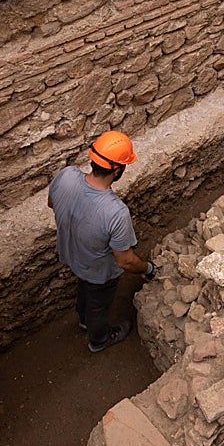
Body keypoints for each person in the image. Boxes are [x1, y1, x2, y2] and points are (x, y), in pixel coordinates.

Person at [48, 130, 157, 353]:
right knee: (98, 303)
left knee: (84, 288)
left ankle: (83, 320)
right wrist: (148, 268)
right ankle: (99, 339)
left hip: (72, 254)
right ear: (117, 169)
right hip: (99, 271)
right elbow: (125, 261)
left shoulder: (66, 175)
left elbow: (52, 203)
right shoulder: (115, 212)